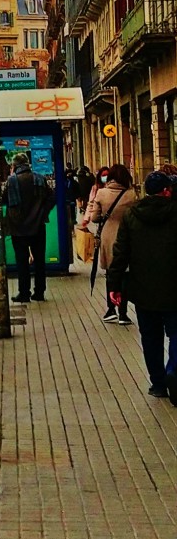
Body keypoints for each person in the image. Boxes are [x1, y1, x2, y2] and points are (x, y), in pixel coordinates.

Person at [108, 171, 177, 402]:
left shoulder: (131, 214)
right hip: (174, 288)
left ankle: (158, 383)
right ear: (167, 191)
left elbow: (121, 252)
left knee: (150, 337)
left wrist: (114, 285)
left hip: (143, 289)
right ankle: (174, 370)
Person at [81, 162, 136, 325]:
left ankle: (111, 309)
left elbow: (95, 218)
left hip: (107, 236)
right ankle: (123, 313)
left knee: (111, 273)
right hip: (127, 237)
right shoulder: (131, 194)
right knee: (125, 274)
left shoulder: (102, 193)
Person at [2, 152, 55, 303]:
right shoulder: (39, 178)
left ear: (14, 165)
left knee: (22, 261)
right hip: (38, 226)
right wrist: (43, 213)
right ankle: (39, 292)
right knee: (39, 260)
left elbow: (4, 199)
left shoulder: (12, 180)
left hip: (18, 228)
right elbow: (51, 197)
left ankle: (24, 293)